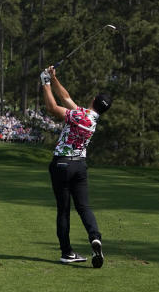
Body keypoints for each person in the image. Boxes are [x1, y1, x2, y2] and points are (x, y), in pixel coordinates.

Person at [40, 65, 110, 268]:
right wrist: (54, 78)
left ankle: (67, 252)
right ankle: (94, 237)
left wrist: (44, 84)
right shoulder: (90, 118)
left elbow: (53, 108)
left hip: (61, 164)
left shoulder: (80, 116)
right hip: (79, 166)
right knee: (84, 207)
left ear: (94, 100)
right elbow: (66, 98)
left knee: (63, 210)